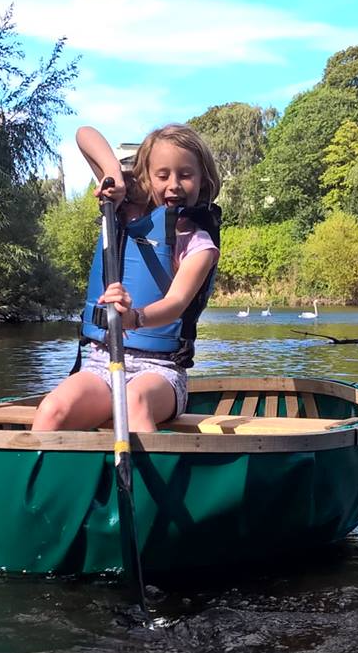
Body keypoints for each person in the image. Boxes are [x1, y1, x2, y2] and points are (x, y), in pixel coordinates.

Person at [32, 123, 221, 433]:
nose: (173, 185)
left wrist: (135, 317)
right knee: (53, 409)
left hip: (160, 372)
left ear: (203, 182)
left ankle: (155, 479)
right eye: (163, 176)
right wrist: (112, 174)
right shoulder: (122, 210)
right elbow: (83, 134)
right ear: (146, 179)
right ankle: (43, 480)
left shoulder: (199, 244)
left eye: (185, 175)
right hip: (101, 364)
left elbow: (175, 304)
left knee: (134, 402)